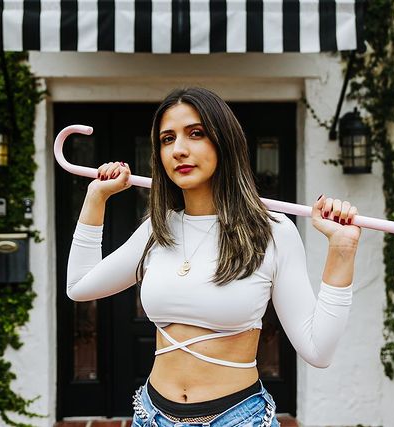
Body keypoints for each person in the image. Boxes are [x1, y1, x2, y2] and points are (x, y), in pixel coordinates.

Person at [66, 87, 361, 427]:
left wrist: (342, 250)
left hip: (237, 419)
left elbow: (318, 351)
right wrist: (95, 198)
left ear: (224, 141)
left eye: (196, 134)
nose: (179, 150)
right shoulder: (157, 229)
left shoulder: (272, 232)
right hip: (153, 416)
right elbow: (79, 287)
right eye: (166, 139)